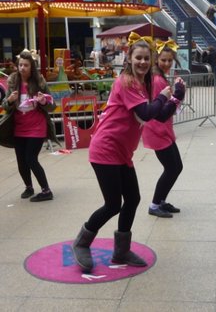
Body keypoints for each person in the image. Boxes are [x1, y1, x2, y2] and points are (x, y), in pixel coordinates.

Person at [71, 32, 185, 273]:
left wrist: (176, 99)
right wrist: (166, 95)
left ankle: (121, 251)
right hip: (106, 148)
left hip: (122, 152)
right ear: (130, 58)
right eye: (138, 58)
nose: (142, 62)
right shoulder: (126, 81)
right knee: (113, 204)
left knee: (132, 199)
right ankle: (82, 242)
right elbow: (146, 113)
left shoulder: (144, 85)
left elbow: (160, 115)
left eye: (146, 58)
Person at [1, 50, 58, 202]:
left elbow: (52, 105)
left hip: (37, 127)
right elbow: (5, 106)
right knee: (21, 159)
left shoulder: (39, 82)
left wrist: (44, 102)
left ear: (31, 67)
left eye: (26, 65)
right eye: (20, 65)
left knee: (31, 158)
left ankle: (46, 190)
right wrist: (11, 100)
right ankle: (28, 187)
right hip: (19, 127)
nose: (22, 68)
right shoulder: (13, 82)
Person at [143, 39, 185, 218]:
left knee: (176, 167)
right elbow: (162, 111)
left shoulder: (160, 78)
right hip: (157, 130)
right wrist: (178, 94)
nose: (167, 63)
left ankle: (160, 201)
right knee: (172, 168)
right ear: (156, 60)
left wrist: (177, 92)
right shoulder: (157, 80)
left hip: (163, 130)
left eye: (169, 60)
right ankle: (154, 205)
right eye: (163, 60)